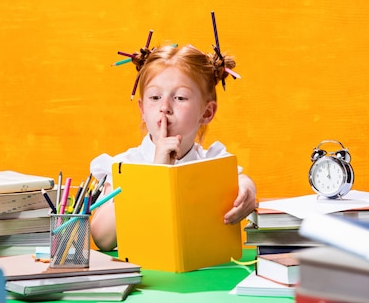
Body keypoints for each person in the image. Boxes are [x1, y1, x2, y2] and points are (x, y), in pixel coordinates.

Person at [90, 43, 258, 251]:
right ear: (142, 109)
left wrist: (248, 189)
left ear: (207, 113)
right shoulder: (124, 165)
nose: (164, 107)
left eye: (179, 98)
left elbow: (240, 178)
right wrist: (155, 173)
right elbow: (102, 238)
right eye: (155, 97)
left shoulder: (212, 163)